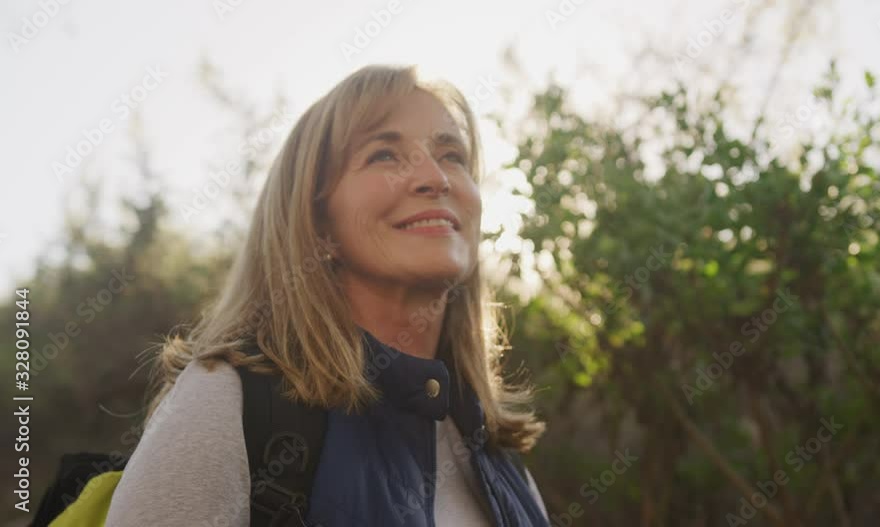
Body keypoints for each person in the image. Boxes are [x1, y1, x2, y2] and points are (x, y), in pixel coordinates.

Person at [105, 64, 550, 526]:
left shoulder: (501, 461)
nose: (434, 178)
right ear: (317, 223)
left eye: (452, 155)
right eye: (384, 155)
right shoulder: (230, 401)